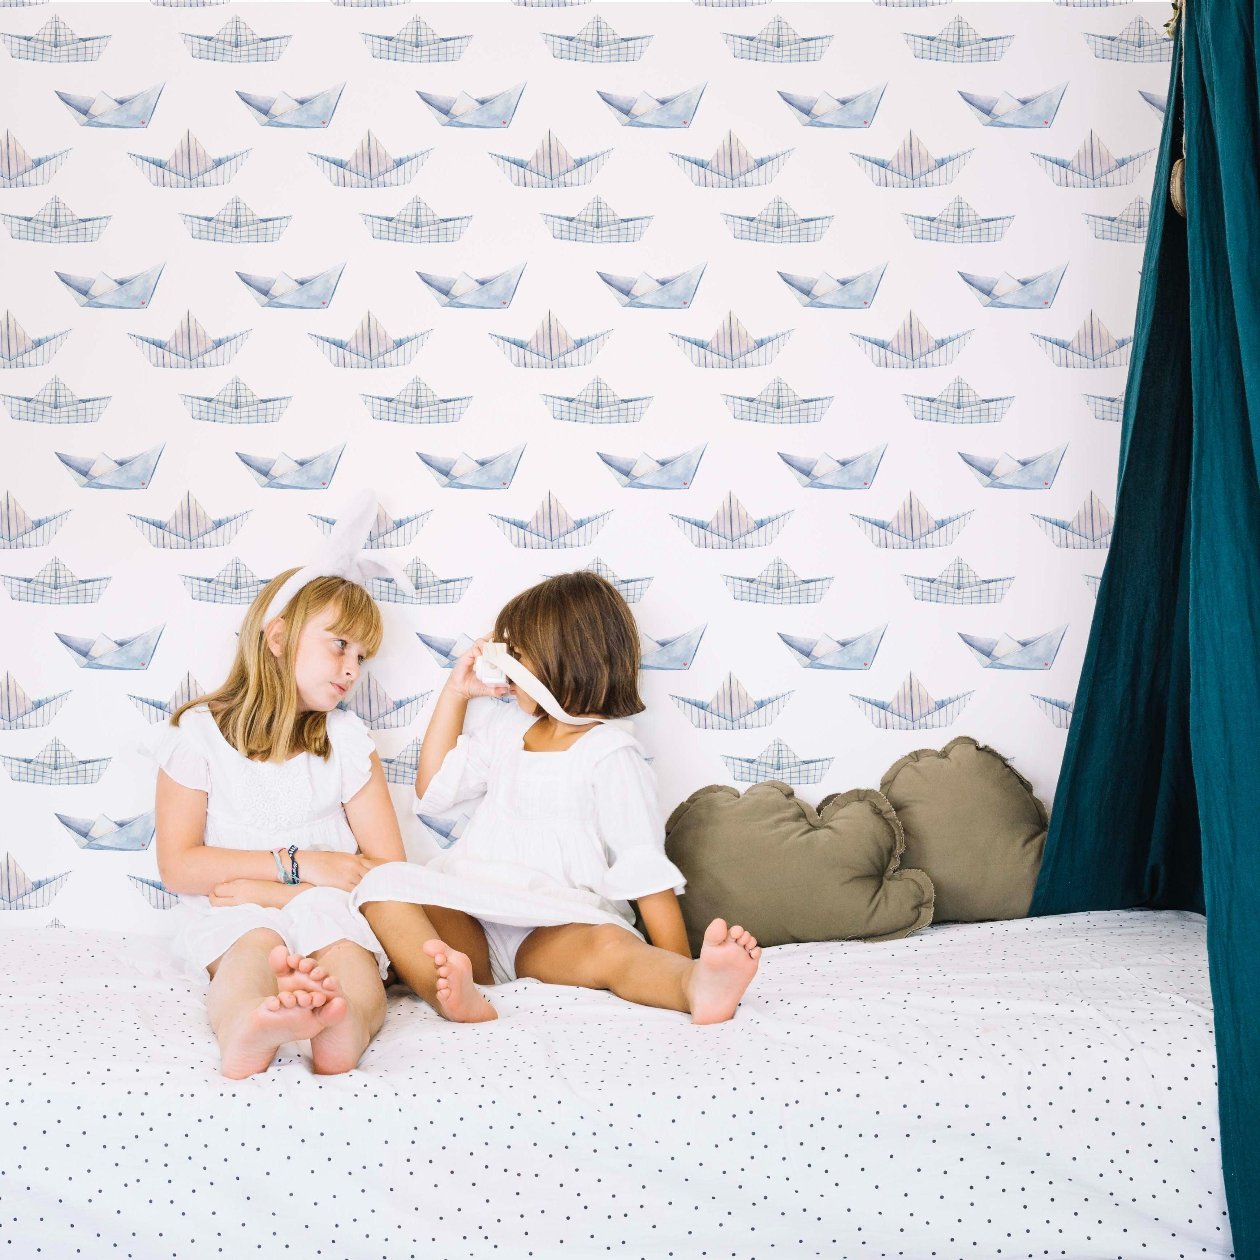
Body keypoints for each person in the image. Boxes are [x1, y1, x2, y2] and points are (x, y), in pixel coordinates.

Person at [351, 571, 761, 1025]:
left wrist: (681, 964)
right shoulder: (507, 730)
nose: (507, 668)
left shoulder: (610, 754)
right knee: (382, 886)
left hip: (556, 926)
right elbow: (432, 789)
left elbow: (645, 874)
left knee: (611, 947)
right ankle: (456, 996)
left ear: (558, 660)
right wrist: (456, 692)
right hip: (473, 914)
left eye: (517, 655)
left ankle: (693, 986)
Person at [152, 537, 408, 1079]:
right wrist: (298, 866)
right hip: (234, 910)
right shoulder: (199, 737)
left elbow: (388, 869)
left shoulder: (346, 742)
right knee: (251, 952)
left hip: (327, 906)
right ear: (277, 636)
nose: (352, 669)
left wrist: (281, 891)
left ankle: (345, 1027)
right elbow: (180, 865)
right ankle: (247, 1026)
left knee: (350, 960)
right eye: (339, 645)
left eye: (361, 657)